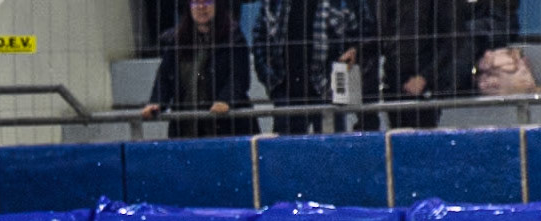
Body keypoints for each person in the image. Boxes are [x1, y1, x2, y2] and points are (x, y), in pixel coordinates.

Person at [252, 0, 377, 134]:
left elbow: (368, 32)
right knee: (288, 152)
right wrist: (271, 80)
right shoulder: (274, 3)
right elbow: (259, 34)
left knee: (329, 150)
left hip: (329, 91)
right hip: (286, 92)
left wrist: (355, 49)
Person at [141, 0, 260, 139]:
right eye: (195, 2)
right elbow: (164, 78)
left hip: (227, 127)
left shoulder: (234, 37)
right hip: (186, 129)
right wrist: (157, 102)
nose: (201, 7)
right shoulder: (177, 39)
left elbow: (239, 78)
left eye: (207, 2)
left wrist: (226, 100)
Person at [380, 0, 471, 128]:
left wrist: (425, 77)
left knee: (421, 136)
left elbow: (454, 37)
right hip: (393, 77)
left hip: (423, 79)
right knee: (398, 137)